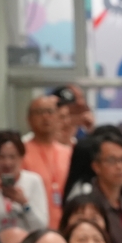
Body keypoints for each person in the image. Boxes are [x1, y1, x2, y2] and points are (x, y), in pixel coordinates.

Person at [22, 94, 74, 227]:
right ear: (29, 119)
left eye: (50, 112)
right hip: (34, 225)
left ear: (57, 117)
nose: (45, 117)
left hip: (66, 224)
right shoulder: (21, 152)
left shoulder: (68, 152)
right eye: (39, 112)